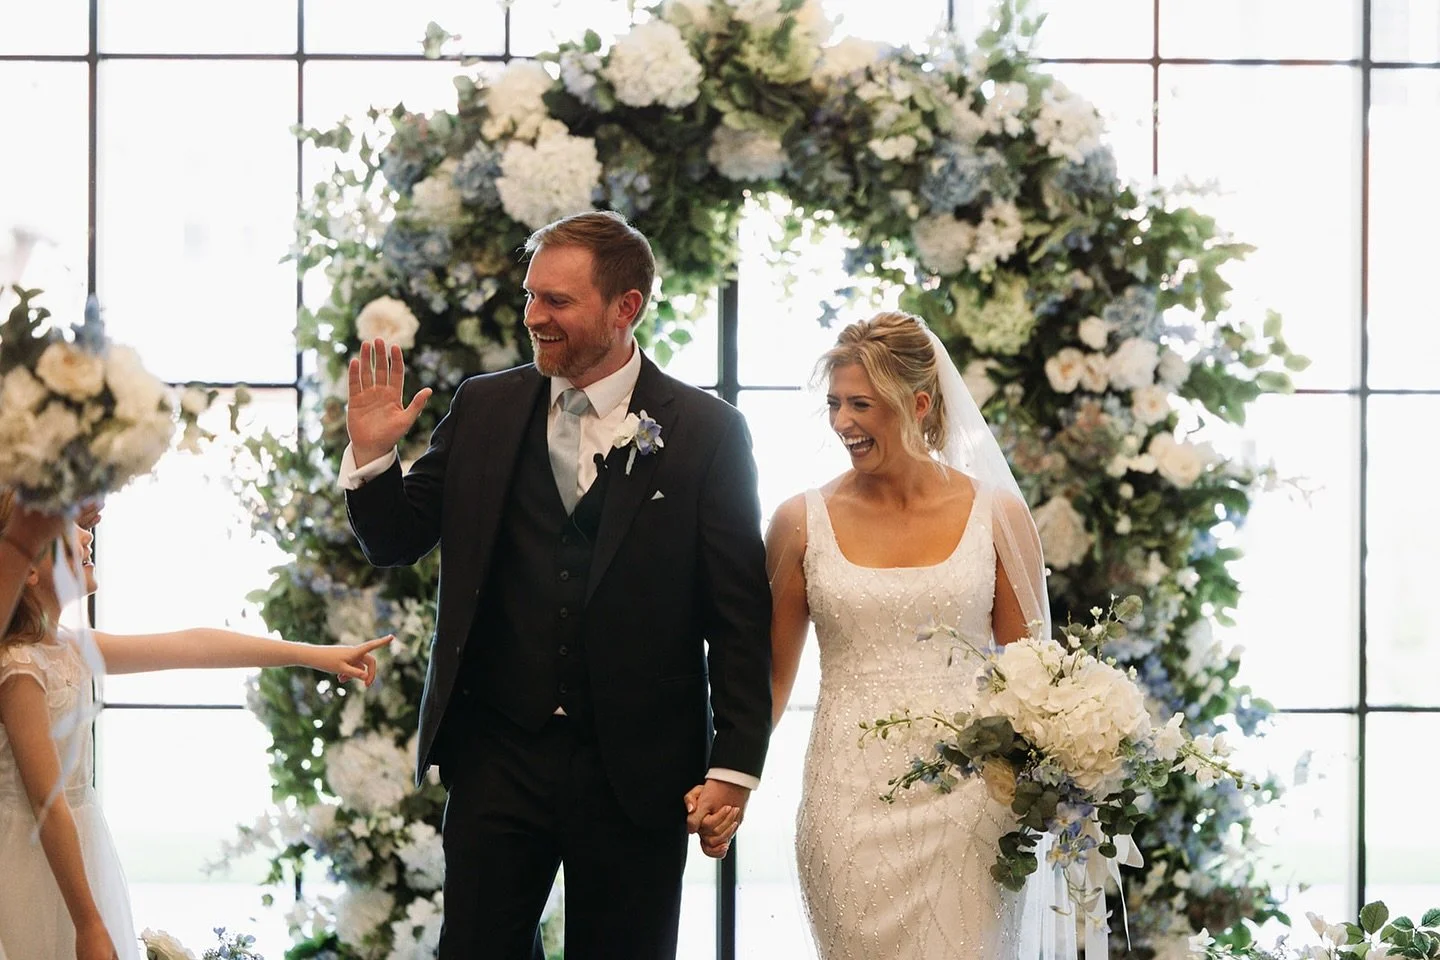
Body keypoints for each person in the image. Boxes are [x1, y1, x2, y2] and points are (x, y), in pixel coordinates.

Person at [340, 209, 773, 959]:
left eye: (558, 302)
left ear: (625, 308)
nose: (534, 316)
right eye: (532, 296)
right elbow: (395, 539)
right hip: (499, 754)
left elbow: (738, 618)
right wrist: (374, 459)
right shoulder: (484, 407)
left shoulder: (707, 433)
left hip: (638, 768)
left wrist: (731, 768)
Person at [0, 489, 394, 960]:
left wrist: (313, 656)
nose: (88, 536)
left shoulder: (68, 647)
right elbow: (49, 808)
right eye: (68, 531)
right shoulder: (21, 668)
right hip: (36, 864)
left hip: (80, 850)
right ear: (26, 567)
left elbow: (194, 646)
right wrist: (89, 923)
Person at [765, 311, 1052, 957]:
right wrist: (725, 774)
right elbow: (768, 680)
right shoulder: (798, 522)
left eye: (861, 404)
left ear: (919, 404)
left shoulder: (998, 516)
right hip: (847, 806)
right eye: (835, 403)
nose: (842, 422)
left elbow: (1030, 679)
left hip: (970, 808)